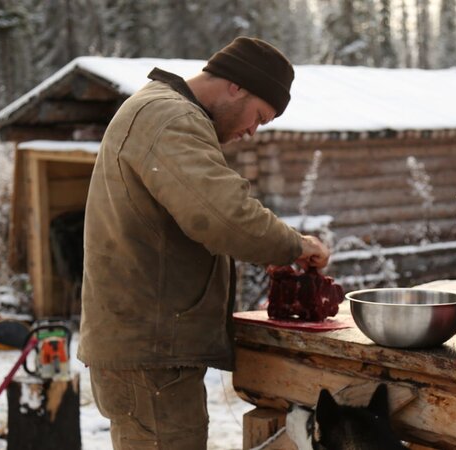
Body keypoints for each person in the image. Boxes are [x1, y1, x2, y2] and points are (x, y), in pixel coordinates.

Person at [78, 37, 330, 449]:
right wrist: (296, 245)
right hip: (151, 351)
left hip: (151, 346)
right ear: (237, 86)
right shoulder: (169, 117)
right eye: (259, 117)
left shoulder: (160, 111)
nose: (251, 131)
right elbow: (221, 215)